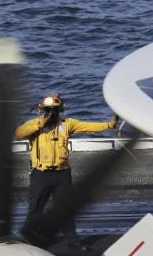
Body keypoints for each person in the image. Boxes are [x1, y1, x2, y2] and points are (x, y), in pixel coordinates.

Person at [15, 92, 118, 245]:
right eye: (48, 110)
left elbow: (88, 126)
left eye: (54, 109)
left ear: (60, 109)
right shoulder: (34, 124)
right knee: (35, 209)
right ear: (42, 110)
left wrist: (109, 124)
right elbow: (19, 133)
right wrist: (40, 123)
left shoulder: (67, 124)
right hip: (40, 174)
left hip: (62, 174)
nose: (51, 113)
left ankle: (72, 240)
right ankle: (29, 239)